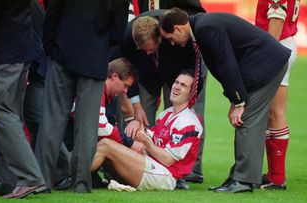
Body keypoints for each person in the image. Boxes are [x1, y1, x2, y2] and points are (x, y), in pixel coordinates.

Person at [159, 8, 291, 193]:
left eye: (171, 38)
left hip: (266, 65)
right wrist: (234, 100)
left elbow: (226, 64)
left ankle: (243, 181)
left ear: (179, 28)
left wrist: (239, 102)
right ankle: (239, 176)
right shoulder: (201, 26)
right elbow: (226, 67)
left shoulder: (205, 29)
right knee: (246, 120)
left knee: (247, 121)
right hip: (258, 66)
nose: (172, 43)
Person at [34, 0, 129, 193]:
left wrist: (52, 45)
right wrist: (99, 43)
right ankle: (81, 183)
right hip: (94, 58)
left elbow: (53, 12)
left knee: (51, 121)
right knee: (87, 126)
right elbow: (119, 31)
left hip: (63, 51)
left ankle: (42, 180)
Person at [121, 10, 207, 189]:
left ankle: (189, 172)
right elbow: (127, 71)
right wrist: (136, 107)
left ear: (160, 38)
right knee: (143, 121)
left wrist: (185, 91)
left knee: (186, 118)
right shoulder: (127, 37)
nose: (146, 52)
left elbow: (193, 67)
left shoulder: (175, 37)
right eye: (142, 49)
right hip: (146, 77)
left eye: (150, 48)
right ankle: (142, 164)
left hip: (180, 74)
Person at [91, 70, 203, 190]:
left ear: (192, 94)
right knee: (108, 142)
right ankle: (86, 177)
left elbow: (168, 160)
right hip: (149, 164)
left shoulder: (188, 122)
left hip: (164, 175)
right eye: (176, 82)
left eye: (183, 85)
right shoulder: (167, 113)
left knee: (105, 145)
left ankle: (75, 176)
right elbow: (151, 137)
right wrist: (137, 125)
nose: (176, 87)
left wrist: (146, 142)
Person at [0, 0, 46, 198]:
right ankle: (7, 179)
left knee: (1, 110)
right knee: (8, 113)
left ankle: (29, 177)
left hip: (2, 54)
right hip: (20, 51)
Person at [255, 0, 300, 190]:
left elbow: (276, 20)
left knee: (275, 112)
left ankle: (278, 177)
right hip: (282, 43)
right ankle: (275, 174)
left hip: (278, 45)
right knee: (272, 114)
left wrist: (267, 56)